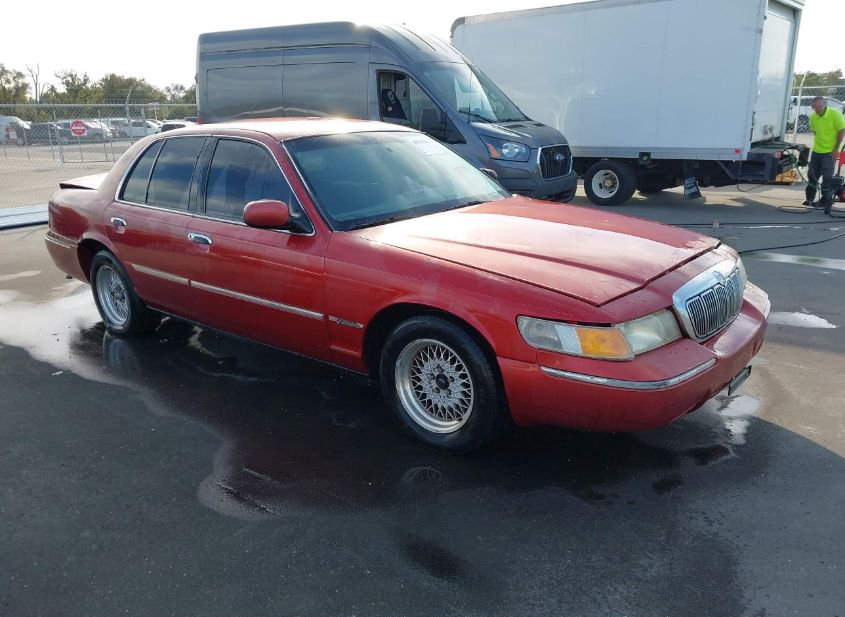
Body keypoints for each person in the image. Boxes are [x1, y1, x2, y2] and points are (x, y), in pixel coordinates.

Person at [804, 96, 845, 214]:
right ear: (812, 107)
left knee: (827, 177)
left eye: (820, 106)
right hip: (817, 151)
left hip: (829, 152)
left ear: (824, 105)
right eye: (815, 107)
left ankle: (825, 200)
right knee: (812, 175)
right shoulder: (813, 117)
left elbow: (842, 130)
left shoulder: (835, 114)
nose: (818, 109)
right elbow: (815, 131)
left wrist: (836, 148)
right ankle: (809, 198)